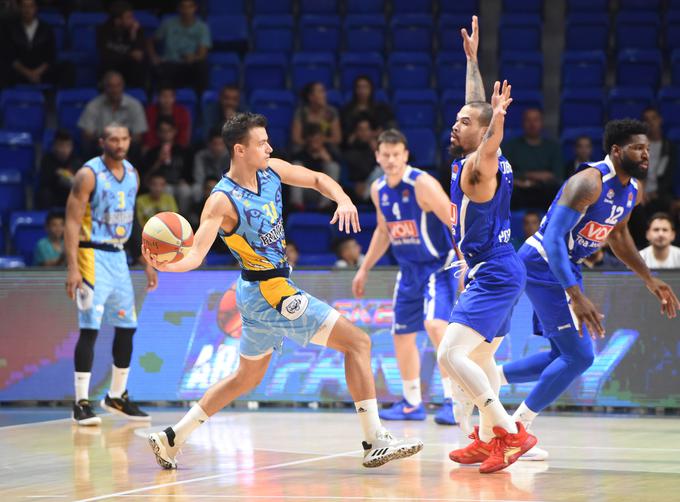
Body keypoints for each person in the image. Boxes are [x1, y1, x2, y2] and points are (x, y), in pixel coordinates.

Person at [143, 112, 422, 470]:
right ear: (240, 149)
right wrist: (166, 264)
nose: (269, 147)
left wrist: (344, 200)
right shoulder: (222, 200)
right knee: (359, 343)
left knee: (247, 377)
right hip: (269, 292)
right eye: (262, 143)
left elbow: (320, 178)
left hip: (258, 292)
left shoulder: (271, 170)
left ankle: (171, 438)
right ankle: (374, 440)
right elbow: (196, 253)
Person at [495, 120, 680, 461]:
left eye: (648, 149)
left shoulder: (633, 190)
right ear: (616, 150)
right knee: (580, 356)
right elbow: (552, 238)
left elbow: (619, 235)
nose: (645, 154)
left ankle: (486, 381)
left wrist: (648, 278)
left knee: (559, 356)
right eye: (638, 148)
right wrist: (576, 295)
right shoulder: (588, 182)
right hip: (543, 262)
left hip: (564, 265)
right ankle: (515, 431)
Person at [437, 16, 537, 474]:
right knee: (479, 356)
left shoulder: (481, 164)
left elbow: (490, 137)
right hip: (495, 265)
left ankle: (509, 433)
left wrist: (497, 118)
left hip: (494, 270)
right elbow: (474, 106)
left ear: (481, 133)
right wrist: (473, 61)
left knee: (451, 354)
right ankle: (482, 438)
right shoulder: (474, 151)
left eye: (463, 123)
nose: (455, 125)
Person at [352, 129, 460, 426]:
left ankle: (455, 401)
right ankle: (412, 402)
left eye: (395, 155)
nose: (390, 160)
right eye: (384, 155)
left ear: (405, 155)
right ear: (377, 156)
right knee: (400, 334)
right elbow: (384, 231)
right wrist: (364, 268)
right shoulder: (378, 190)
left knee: (437, 327)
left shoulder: (422, 184)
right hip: (409, 269)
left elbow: (454, 222)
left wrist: (466, 265)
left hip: (438, 265)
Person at [64, 122, 158, 426]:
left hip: (118, 256)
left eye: (124, 138)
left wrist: (146, 260)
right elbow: (71, 222)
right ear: (102, 141)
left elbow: (130, 223)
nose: (119, 144)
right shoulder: (88, 174)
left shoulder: (132, 174)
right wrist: (72, 267)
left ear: (130, 141)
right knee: (90, 328)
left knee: (128, 326)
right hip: (91, 254)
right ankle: (80, 402)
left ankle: (116, 395)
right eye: (113, 139)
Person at [502, 107, 563, 209]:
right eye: (528, 120)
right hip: (519, 190)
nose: (532, 124)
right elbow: (506, 172)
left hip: (545, 191)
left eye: (536, 120)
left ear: (542, 122)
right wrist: (529, 176)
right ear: (523, 123)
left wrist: (532, 178)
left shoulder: (553, 147)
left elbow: (558, 174)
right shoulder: (511, 146)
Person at [77, 71, 148, 159]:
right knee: (87, 144)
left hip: (127, 149)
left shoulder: (134, 105)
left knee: (137, 145)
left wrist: (121, 149)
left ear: (123, 86)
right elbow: (87, 133)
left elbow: (138, 135)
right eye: (110, 86)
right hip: (101, 148)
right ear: (104, 88)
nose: (115, 90)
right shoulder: (93, 105)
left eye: (118, 85)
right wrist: (107, 148)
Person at [6, 0, 74, 88]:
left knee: (68, 67)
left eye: (30, 6)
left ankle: (59, 98)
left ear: (35, 8)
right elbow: (12, 58)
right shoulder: (12, 30)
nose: (27, 10)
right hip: (21, 74)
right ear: (20, 8)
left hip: (42, 73)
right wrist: (28, 74)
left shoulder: (46, 29)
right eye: (24, 6)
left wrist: (36, 73)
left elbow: (50, 57)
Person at [147, 0, 211, 92]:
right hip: (170, 64)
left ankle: (200, 98)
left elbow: (202, 54)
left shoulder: (202, 28)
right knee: (157, 68)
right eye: (183, 7)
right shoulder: (168, 24)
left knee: (202, 66)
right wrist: (153, 56)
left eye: (189, 7)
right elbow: (150, 41)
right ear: (179, 9)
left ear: (195, 8)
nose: (186, 10)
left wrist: (194, 57)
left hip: (189, 66)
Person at [141, 116, 192, 213]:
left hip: (179, 183)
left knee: (185, 190)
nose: (166, 134)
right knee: (167, 189)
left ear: (174, 131)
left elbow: (189, 173)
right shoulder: (151, 152)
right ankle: (167, 221)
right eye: (162, 131)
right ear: (158, 132)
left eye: (169, 130)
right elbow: (146, 178)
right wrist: (159, 161)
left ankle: (183, 219)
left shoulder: (183, 151)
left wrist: (185, 180)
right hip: (162, 184)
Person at [290, 123, 342, 210]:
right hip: (305, 190)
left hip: (323, 192)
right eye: (313, 140)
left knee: (333, 166)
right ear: (307, 140)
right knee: (296, 164)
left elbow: (338, 178)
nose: (315, 143)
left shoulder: (331, 152)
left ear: (322, 139)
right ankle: (297, 206)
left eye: (318, 140)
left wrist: (327, 159)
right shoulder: (300, 154)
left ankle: (325, 207)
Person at [96, 1, 146, 88]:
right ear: (118, 20)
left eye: (132, 17)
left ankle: (138, 93)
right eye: (128, 17)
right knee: (109, 65)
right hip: (111, 68)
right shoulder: (103, 31)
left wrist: (133, 36)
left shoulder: (136, 30)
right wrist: (129, 55)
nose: (132, 20)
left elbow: (139, 56)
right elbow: (106, 56)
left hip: (129, 70)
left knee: (138, 66)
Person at [291, 82, 342, 153]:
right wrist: (311, 142)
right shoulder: (301, 112)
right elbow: (296, 138)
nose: (324, 95)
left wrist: (321, 141)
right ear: (310, 96)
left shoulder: (331, 112)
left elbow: (337, 138)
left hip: (326, 149)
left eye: (324, 91)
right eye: (320, 91)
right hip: (305, 148)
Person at [340, 76, 396, 140]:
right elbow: (345, 134)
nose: (362, 91)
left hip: (377, 142)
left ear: (371, 89)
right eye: (359, 87)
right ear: (355, 90)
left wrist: (373, 134)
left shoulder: (381, 109)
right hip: (353, 146)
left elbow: (390, 128)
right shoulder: (347, 110)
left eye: (365, 87)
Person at [37, 129, 80, 209]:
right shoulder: (47, 159)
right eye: (61, 145)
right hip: (53, 193)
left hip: (68, 194)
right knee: (45, 194)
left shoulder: (76, 160)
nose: (64, 150)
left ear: (72, 147)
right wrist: (57, 175)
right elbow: (45, 181)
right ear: (54, 146)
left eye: (67, 146)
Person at [144, 84, 192, 150]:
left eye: (170, 96)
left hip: (176, 148)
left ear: (174, 97)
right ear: (157, 97)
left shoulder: (182, 112)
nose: (167, 100)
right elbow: (149, 136)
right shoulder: (150, 112)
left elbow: (183, 138)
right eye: (163, 96)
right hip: (154, 148)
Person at [343, 116, 378, 202]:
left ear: (372, 132)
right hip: (355, 192)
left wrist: (378, 152)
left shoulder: (380, 152)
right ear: (356, 132)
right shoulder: (349, 152)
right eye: (361, 129)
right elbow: (343, 178)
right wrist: (354, 186)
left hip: (374, 189)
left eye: (367, 129)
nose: (364, 133)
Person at [192, 126, 229, 201]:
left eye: (221, 144)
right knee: (196, 189)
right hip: (205, 185)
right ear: (209, 144)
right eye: (215, 144)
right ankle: (196, 211)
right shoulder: (201, 156)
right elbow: (199, 176)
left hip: (222, 185)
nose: (218, 147)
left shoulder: (230, 157)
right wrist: (208, 186)